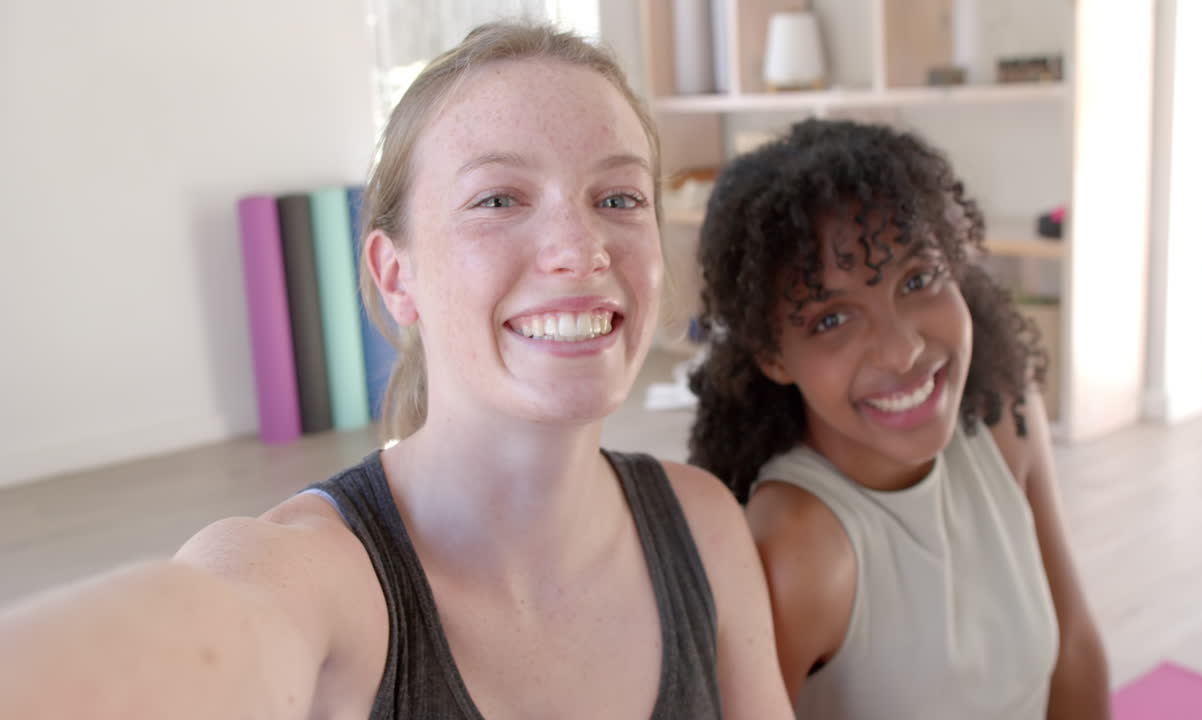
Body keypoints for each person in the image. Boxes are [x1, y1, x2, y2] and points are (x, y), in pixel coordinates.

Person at [0, 22, 793, 720]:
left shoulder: (705, 524)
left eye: (618, 197)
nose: (580, 248)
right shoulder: (320, 574)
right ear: (394, 275)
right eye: (498, 200)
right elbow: (213, 622)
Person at [687, 118, 1110, 719]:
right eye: (832, 319)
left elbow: (1074, 644)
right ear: (774, 356)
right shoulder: (797, 549)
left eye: (918, 279)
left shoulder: (1003, 414)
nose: (901, 349)